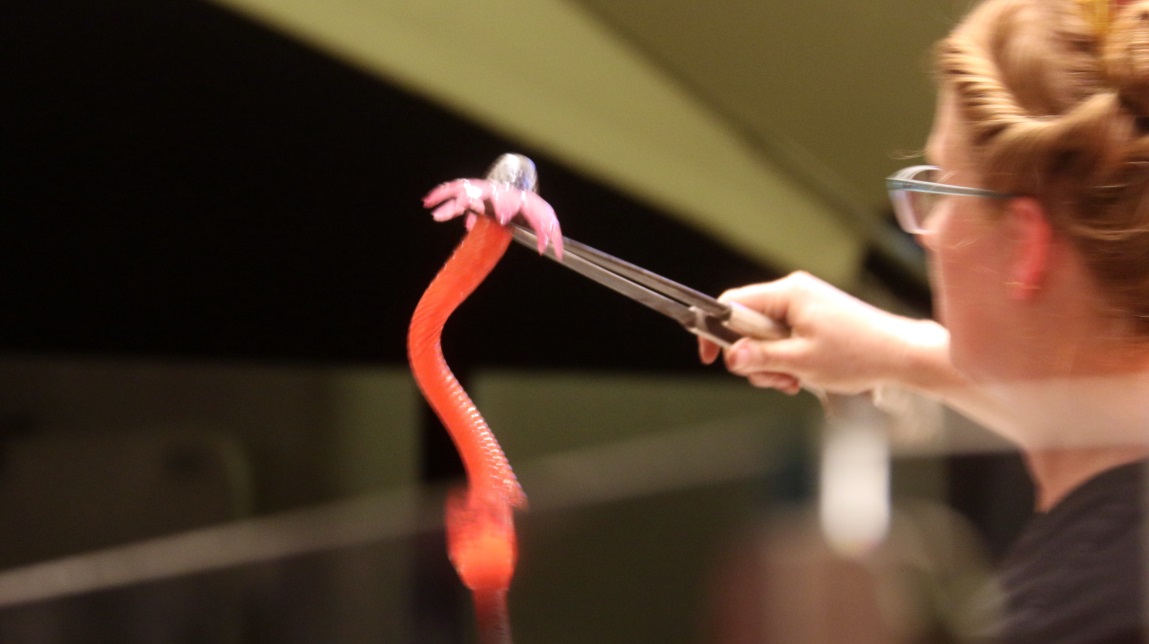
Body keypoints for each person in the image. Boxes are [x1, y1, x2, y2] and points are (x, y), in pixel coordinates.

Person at [700, 0, 1149, 641]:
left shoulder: (1077, 616)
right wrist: (894, 351)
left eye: (940, 189)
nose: (929, 233)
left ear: (1026, 242)